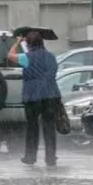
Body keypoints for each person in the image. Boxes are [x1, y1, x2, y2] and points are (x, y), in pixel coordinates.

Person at [7, 30, 61, 166]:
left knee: (32, 127)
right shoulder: (51, 57)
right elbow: (52, 70)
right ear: (42, 42)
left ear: (29, 44)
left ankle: (30, 157)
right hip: (51, 95)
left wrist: (17, 43)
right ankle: (51, 158)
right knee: (49, 127)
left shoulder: (27, 57)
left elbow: (10, 56)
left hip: (32, 97)